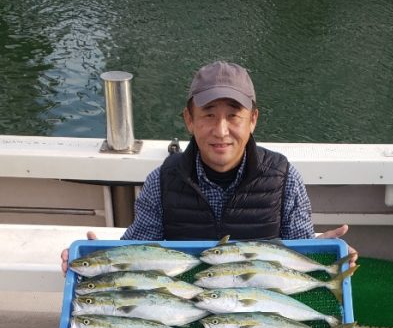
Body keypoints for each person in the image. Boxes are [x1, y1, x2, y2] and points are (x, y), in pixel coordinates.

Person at [61, 60, 357, 272]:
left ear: (253, 120)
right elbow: (137, 248)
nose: (221, 130)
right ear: (189, 119)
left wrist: (322, 251)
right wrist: (100, 258)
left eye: (234, 116)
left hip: (263, 310)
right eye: (208, 115)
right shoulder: (162, 180)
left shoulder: (283, 176)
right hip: (182, 308)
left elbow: (299, 248)